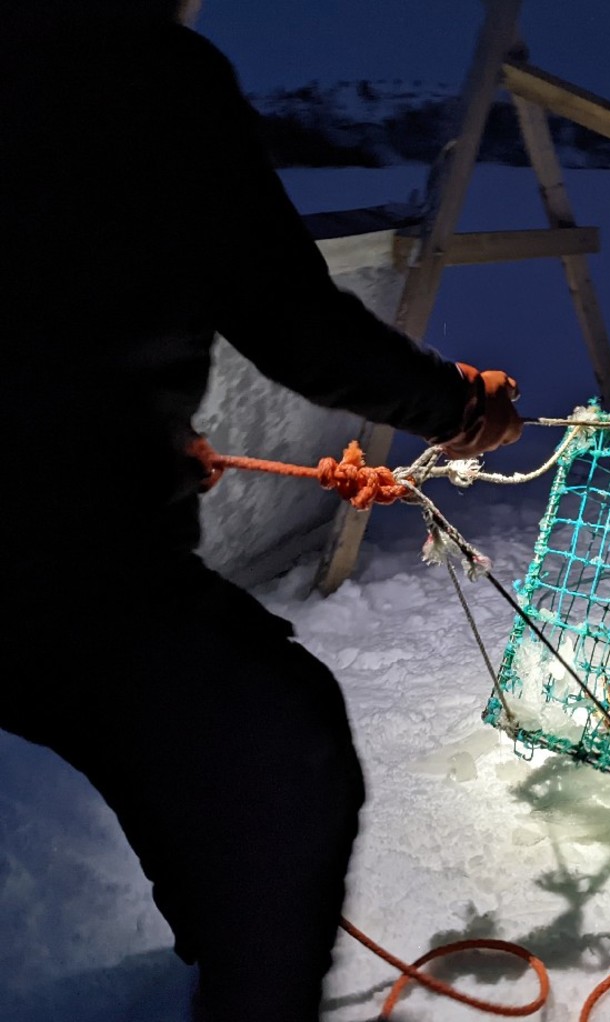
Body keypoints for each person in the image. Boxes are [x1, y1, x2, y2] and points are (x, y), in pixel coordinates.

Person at [0, 2, 522, 1019]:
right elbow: (292, 319)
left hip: (63, 529)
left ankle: (214, 941)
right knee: (287, 745)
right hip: (56, 564)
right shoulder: (145, 65)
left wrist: (134, 439)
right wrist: (459, 405)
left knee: (166, 744)